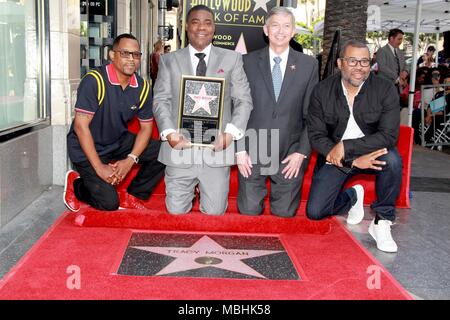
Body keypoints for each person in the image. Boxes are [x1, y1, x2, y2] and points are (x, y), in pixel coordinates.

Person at [152, 5, 253, 215]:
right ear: (187, 27)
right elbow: (161, 100)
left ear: (214, 29)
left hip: (217, 150)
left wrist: (230, 134)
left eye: (207, 23)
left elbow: (244, 101)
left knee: (215, 214)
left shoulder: (232, 59)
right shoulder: (169, 60)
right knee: (176, 214)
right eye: (196, 22)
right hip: (179, 151)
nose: (201, 27)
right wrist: (169, 133)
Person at [306, 40, 402, 253]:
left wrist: (347, 147)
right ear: (340, 63)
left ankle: (382, 221)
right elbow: (316, 136)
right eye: (352, 61)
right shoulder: (322, 91)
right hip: (336, 156)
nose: (359, 67)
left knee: (393, 160)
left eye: (365, 61)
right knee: (315, 211)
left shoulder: (385, 88)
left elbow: (389, 135)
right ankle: (352, 197)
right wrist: (351, 159)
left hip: (370, 151)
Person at [64, 34, 165, 212]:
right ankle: (77, 185)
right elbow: (81, 127)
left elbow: (146, 128)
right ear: (112, 55)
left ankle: (133, 195)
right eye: (125, 53)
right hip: (86, 147)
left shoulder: (142, 87)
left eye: (136, 55)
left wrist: (130, 160)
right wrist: (100, 167)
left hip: (116, 141)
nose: (131, 59)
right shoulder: (94, 81)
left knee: (165, 151)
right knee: (108, 203)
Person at [236, 7, 318, 217]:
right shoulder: (246, 62)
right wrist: (239, 149)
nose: (280, 31)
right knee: (248, 212)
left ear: (293, 32)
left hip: (289, 152)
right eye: (275, 25)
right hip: (252, 149)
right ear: (265, 29)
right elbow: (235, 108)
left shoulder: (309, 65)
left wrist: (301, 152)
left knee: (284, 214)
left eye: (286, 26)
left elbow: (314, 114)